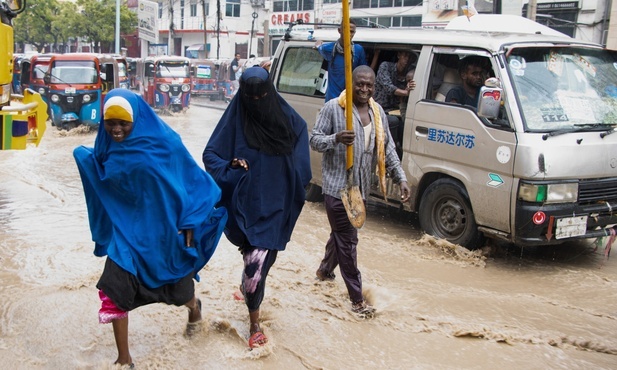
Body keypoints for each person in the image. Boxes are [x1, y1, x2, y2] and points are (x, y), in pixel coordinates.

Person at [73, 89, 227, 367]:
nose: (117, 130)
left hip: (164, 229)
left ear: (137, 119)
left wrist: (190, 220)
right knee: (113, 292)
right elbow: (102, 172)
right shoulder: (105, 144)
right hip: (126, 232)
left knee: (179, 292)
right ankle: (124, 359)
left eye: (124, 123)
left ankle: (194, 308)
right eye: (110, 123)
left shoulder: (166, 144)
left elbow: (196, 182)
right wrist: (82, 157)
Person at [202, 67, 312, 349]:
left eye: (262, 95)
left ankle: (250, 298)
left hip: (276, 206)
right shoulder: (236, 117)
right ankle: (254, 324)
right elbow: (211, 154)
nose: (257, 101)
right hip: (246, 206)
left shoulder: (291, 123)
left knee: (259, 265)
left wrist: (294, 184)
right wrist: (231, 165)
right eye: (251, 97)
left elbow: (302, 167)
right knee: (255, 265)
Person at [310, 65, 410, 317]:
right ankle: (357, 301)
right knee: (349, 243)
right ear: (351, 83)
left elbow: (387, 149)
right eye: (360, 84)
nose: (364, 89)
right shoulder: (335, 108)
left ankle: (324, 271)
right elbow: (314, 139)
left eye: (369, 85)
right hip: (337, 189)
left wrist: (401, 179)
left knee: (341, 236)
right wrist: (336, 138)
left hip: (360, 190)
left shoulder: (378, 113)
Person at [315, 19, 368, 102]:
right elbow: (320, 48)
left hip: (351, 100)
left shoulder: (358, 50)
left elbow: (364, 73)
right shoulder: (329, 49)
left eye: (352, 32)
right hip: (333, 100)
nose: (349, 34)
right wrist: (318, 45)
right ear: (339, 30)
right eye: (346, 30)